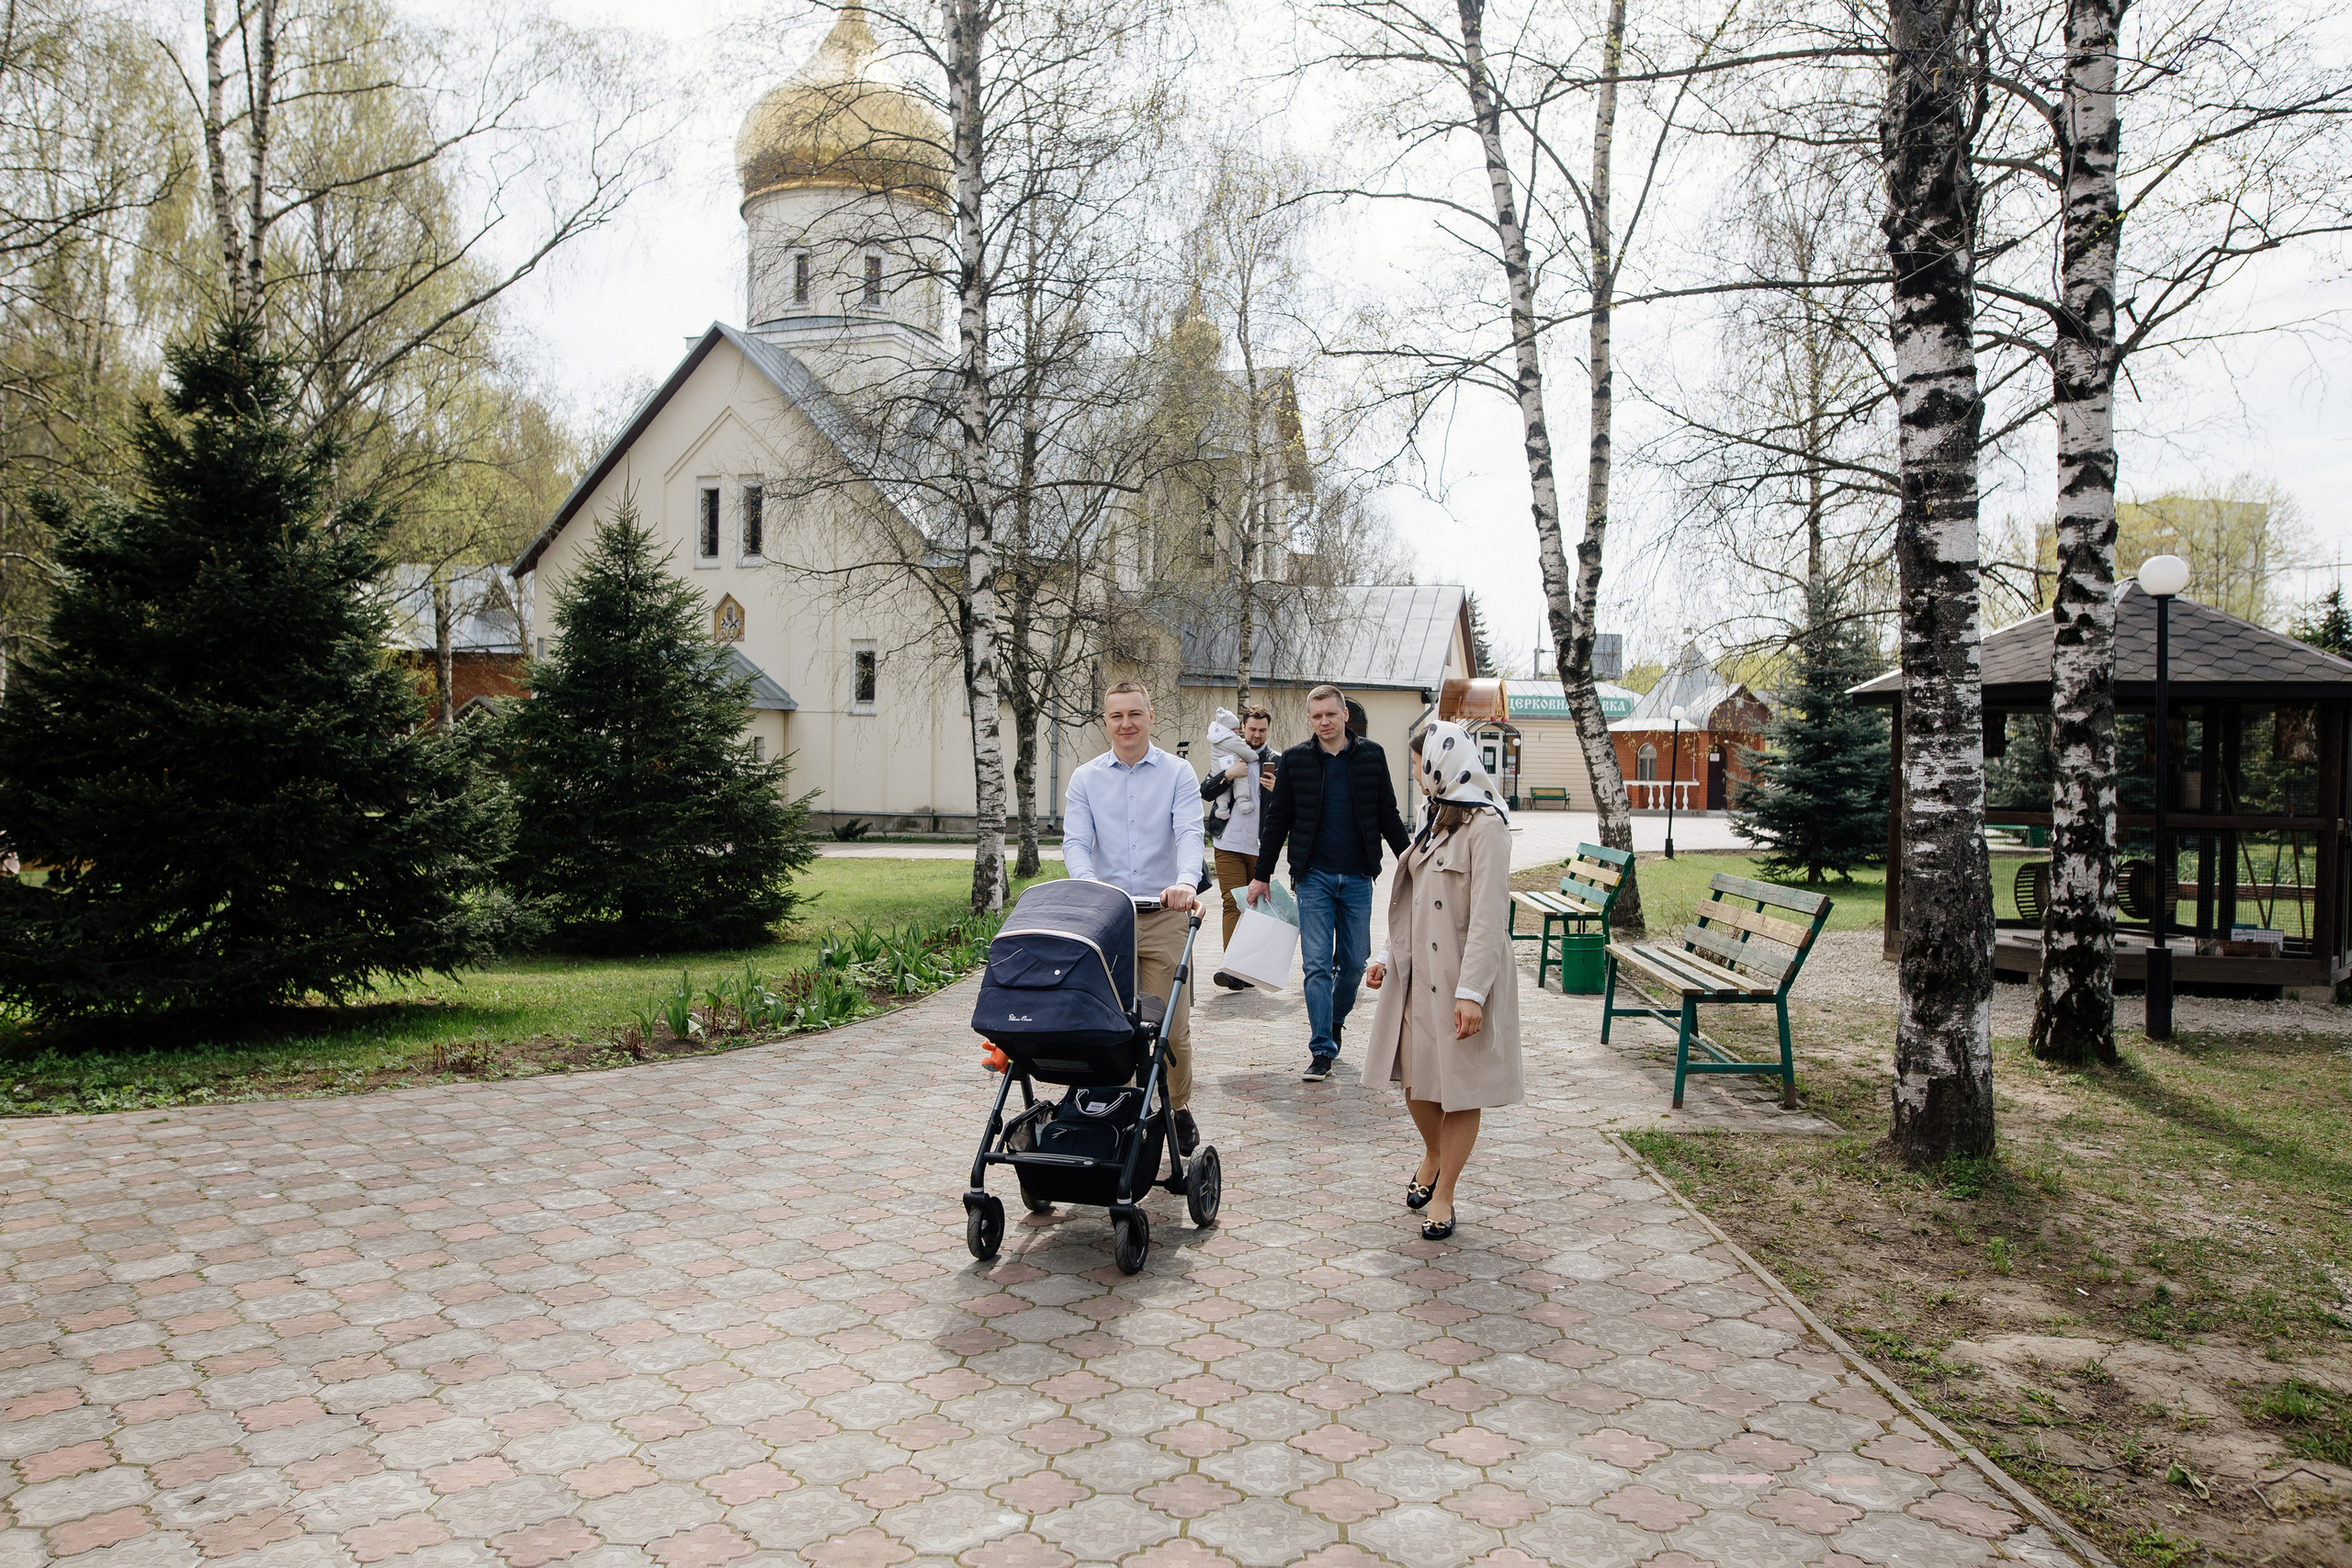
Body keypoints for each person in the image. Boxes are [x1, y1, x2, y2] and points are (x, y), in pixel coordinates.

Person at [1363, 721, 1521, 1240]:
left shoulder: (1487, 827)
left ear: (1441, 765)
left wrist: (1472, 993)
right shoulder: (1436, 820)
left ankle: (1446, 1192)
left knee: (1459, 1089)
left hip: (1461, 981)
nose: (1414, 772)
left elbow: (1489, 918)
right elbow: (1412, 903)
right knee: (1414, 1080)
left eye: (1417, 762)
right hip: (1417, 978)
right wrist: (1387, 955)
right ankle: (1433, 1151)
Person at [1062, 682, 1208, 1155]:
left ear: (1150, 716)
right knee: (1112, 1027)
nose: (1126, 724)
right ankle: (1121, 1111)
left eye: (1135, 714)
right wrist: (1090, 888)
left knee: (1170, 1029)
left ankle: (1178, 1106)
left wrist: (1187, 881)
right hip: (1109, 920)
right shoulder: (1085, 778)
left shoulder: (1178, 773)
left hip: (1165, 913)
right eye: (1116, 716)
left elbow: (1189, 832)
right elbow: (1076, 844)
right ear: (1105, 721)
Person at [1248, 683, 1410, 1082]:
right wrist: (1261, 875)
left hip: (1357, 876)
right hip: (1313, 877)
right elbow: (1277, 820)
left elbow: (1387, 813)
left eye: (1330, 715)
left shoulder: (1371, 755)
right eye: (1316, 716)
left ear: (1344, 716)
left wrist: (1411, 863)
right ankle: (1321, 1048)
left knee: (1354, 963)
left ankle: (1334, 1021)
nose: (1324, 722)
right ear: (1310, 719)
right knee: (1317, 965)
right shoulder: (1296, 761)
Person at [1202, 705, 1274, 986]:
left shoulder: (1278, 761)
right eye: (1252, 729)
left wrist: (1277, 789)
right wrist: (1229, 775)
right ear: (1243, 728)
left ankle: (1250, 968)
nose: (1256, 734)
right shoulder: (1227, 753)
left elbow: (1295, 803)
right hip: (1227, 842)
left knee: (1255, 907)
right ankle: (1231, 968)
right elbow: (1206, 791)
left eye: (1262, 730)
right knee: (1232, 902)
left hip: (1261, 846)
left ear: (1268, 730)